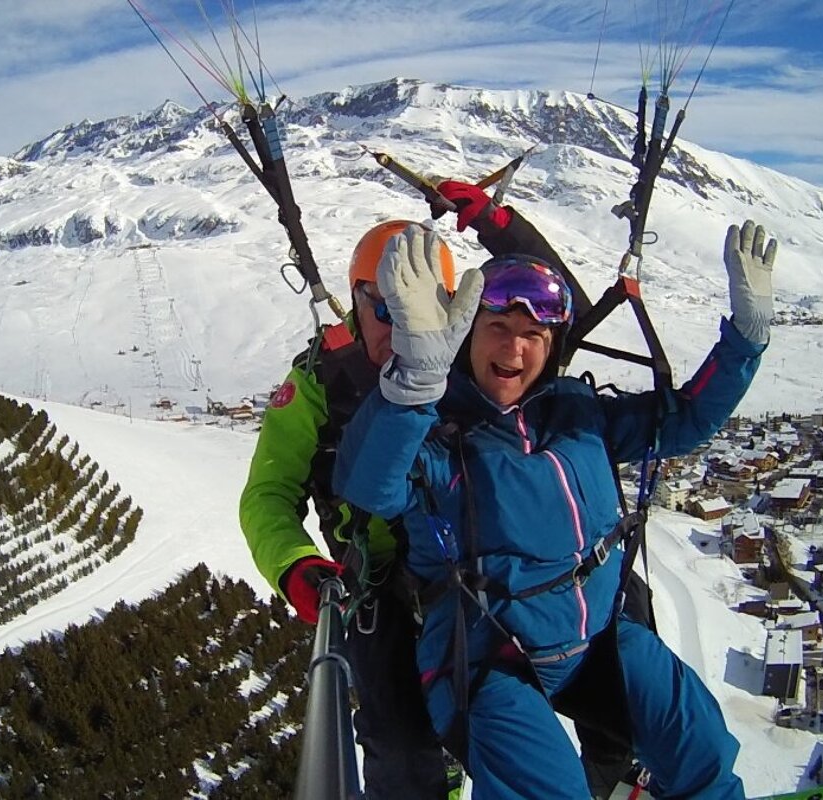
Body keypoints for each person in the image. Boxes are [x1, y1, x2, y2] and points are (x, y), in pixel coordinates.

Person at [333, 219, 777, 798]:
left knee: (703, 747)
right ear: (468, 337)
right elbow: (368, 485)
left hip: (594, 640)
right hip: (489, 660)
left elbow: (685, 419)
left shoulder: (579, 413)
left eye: (533, 335)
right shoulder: (438, 431)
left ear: (551, 348)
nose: (514, 347)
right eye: (498, 327)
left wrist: (745, 338)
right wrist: (413, 381)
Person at [239, 219, 456, 799]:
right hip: (375, 581)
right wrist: (294, 564)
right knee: (402, 747)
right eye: (387, 310)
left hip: (466, 567)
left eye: (425, 309)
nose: (406, 327)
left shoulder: (469, 365)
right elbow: (269, 493)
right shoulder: (320, 382)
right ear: (356, 302)